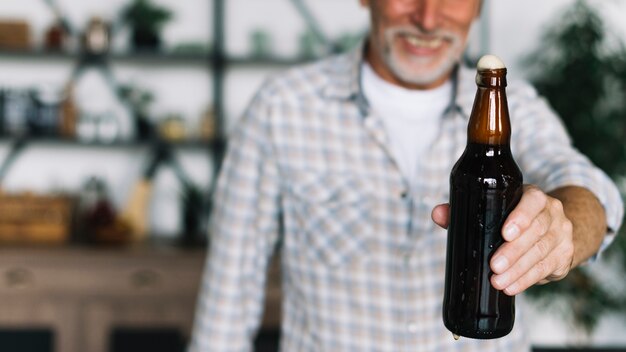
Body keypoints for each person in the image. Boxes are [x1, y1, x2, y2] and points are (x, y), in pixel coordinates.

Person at [189, 0, 624, 351]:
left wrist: (560, 233)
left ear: (478, 7)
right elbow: (229, 297)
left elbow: (593, 191)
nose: (428, 16)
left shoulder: (517, 108)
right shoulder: (281, 107)